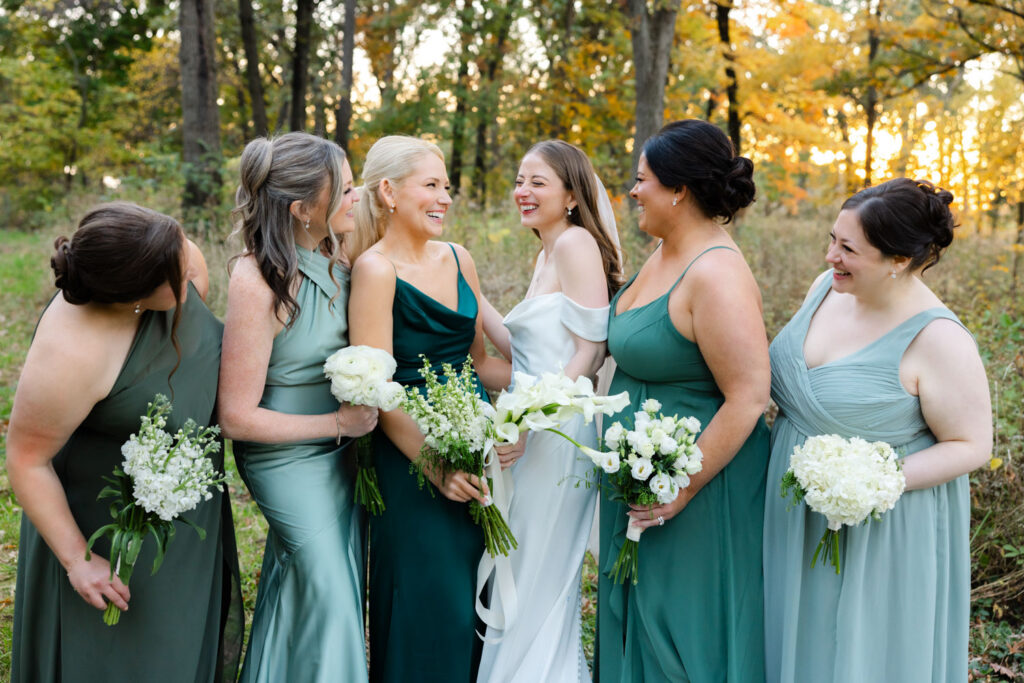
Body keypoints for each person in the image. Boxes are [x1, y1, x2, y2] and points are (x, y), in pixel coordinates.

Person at [762, 178, 991, 683]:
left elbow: (973, 444)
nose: (829, 257)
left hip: (879, 526)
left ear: (899, 260)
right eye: (831, 239)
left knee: (856, 654)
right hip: (791, 509)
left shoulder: (939, 339)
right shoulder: (826, 289)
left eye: (848, 249)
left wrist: (868, 480)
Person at [7, 202, 242, 682]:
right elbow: (26, 459)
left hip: (183, 517)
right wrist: (78, 560)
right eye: (175, 273)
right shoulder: (72, 352)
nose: (191, 264)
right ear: (134, 294)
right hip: (105, 528)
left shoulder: (167, 249)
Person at [597, 119, 771, 681]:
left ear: (679, 190)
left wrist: (681, 486)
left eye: (642, 179)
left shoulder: (715, 273)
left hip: (693, 485)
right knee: (638, 616)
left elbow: (749, 396)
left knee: (679, 632)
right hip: (640, 474)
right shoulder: (664, 249)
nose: (633, 190)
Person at [347, 135, 510, 683]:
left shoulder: (460, 257)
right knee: (427, 601)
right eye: (431, 185)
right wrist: (436, 467)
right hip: (411, 457)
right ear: (389, 191)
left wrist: (539, 403)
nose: (444, 197)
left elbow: (480, 363)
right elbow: (376, 390)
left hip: (474, 442)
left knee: (473, 596)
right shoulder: (374, 270)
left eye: (447, 186)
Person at [218, 132, 377, 682]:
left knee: (310, 585)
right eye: (348, 188)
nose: (358, 198)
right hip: (283, 457)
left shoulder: (336, 258)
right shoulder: (258, 278)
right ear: (303, 208)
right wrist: (337, 423)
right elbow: (235, 416)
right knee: (329, 588)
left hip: (339, 455)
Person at [475, 140, 623, 683]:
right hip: (532, 425)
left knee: (539, 564)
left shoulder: (576, 244)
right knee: (523, 562)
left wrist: (528, 424)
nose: (523, 191)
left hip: (557, 432)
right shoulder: (546, 252)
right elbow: (525, 357)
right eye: (520, 179)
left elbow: (589, 352)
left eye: (538, 182)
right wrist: (467, 285)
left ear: (571, 195)